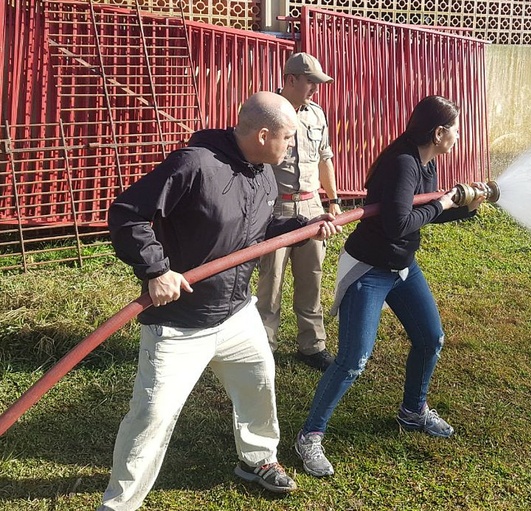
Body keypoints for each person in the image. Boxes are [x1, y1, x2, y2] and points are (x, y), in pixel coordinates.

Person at [99, 91, 341, 511]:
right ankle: (119, 503)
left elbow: (259, 232)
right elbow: (127, 215)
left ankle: (258, 459)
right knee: (151, 416)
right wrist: (156, 270)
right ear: (264, 135)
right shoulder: (194, 164)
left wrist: (303, 225)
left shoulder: (263, 173)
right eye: (287, 138)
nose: (291, 147)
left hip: (236, 313)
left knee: (258, 385)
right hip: (179, 323)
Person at [293, 95, 485, 477]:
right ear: (439, 132)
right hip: (369, 269)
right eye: (457, 130)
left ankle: (413, 411)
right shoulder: (403, 163)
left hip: (401, 267)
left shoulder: (425, 162)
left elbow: (419, 216)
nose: (459, 136)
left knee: (431, 338)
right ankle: (309, 435)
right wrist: (444, 204)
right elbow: (398, 224)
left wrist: (463, 208)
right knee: (353, 360)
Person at [256, 52, 341, 372]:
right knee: (271, 279)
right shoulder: (267, 112)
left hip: (310, 205)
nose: (315, 89)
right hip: (275, 206)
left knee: (312, 276)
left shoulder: (316, 115)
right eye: (310, 82)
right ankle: (265, 345)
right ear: (290, 80)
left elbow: (325, 159)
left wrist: (332, 201)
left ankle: (312, 344)